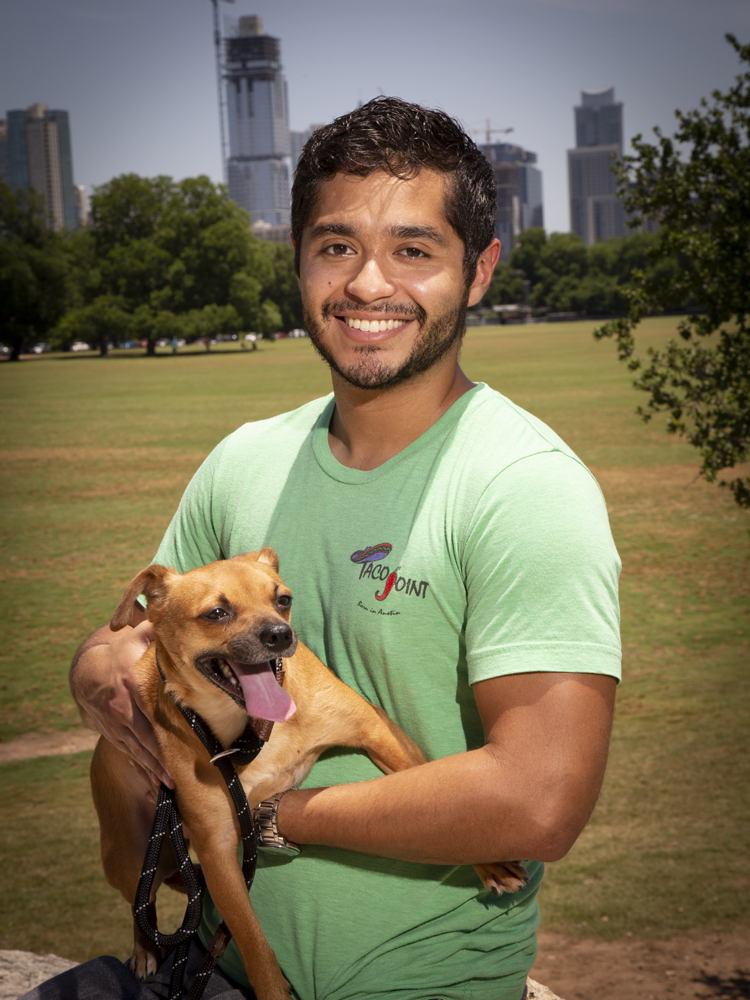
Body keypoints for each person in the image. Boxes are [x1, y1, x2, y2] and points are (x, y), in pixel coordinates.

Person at [53, 98, 620, 1000]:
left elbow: (537, 803)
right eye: (335, 246)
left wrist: (265, 809)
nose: (366, 284)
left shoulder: (526, 486)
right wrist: (92, 676)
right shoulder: (244, 458)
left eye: (413, 249)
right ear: (301, 264)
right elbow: (135, 635)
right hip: (217, 974)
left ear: (478, 272)